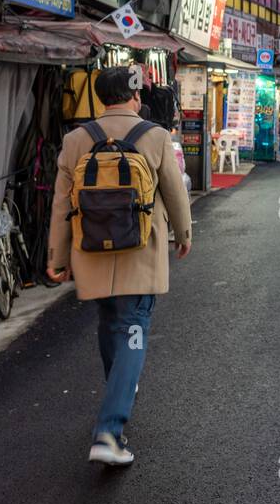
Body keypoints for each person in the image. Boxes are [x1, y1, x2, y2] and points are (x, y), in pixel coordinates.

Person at [47, 66, 193, 467]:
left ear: (100, 98)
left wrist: (57, 257)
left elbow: (61, 204)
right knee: (133, 330)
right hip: (139, 253)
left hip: (92, 252)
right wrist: (183, 234)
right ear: (134, 98)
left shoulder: (76, 139)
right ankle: (108, 432)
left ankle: (121, 387)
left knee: (110, 322)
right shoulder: (155, 136)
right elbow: (175, 192)